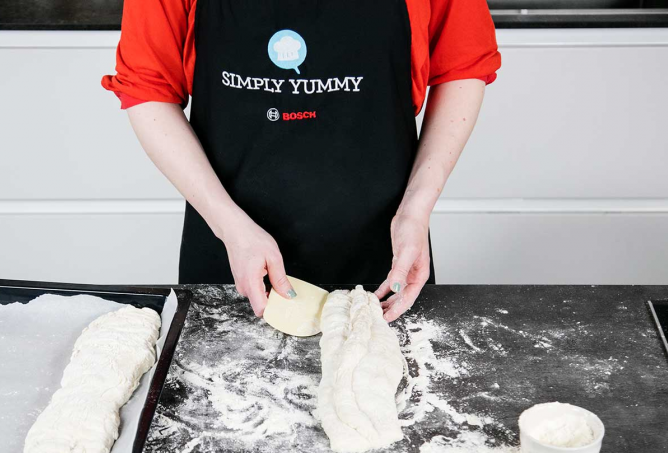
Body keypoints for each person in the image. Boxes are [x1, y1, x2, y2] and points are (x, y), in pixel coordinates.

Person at [102, 0, 500, 321]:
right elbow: (148, 89)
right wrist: (230, 226)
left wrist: (417, 207)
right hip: (233, 249)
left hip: (386, 252)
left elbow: (460, 67)